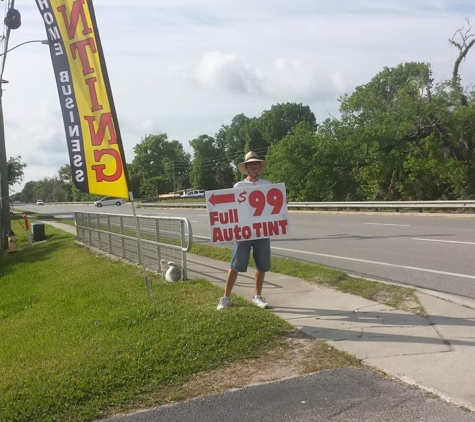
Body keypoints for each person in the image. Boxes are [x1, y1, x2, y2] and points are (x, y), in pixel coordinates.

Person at [217, 151, 272, 310]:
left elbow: (271, 208)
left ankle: (257, 296)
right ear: (246, 167)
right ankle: (226, 297)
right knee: (235, 265)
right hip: (243, 231)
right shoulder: (238, 186)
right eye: (250, 164)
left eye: (256, 164)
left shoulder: (267, 184)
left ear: (259, 167)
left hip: (262, 231)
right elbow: (233, 209)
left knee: (262, 266)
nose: (253, 166)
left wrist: (282, 202)